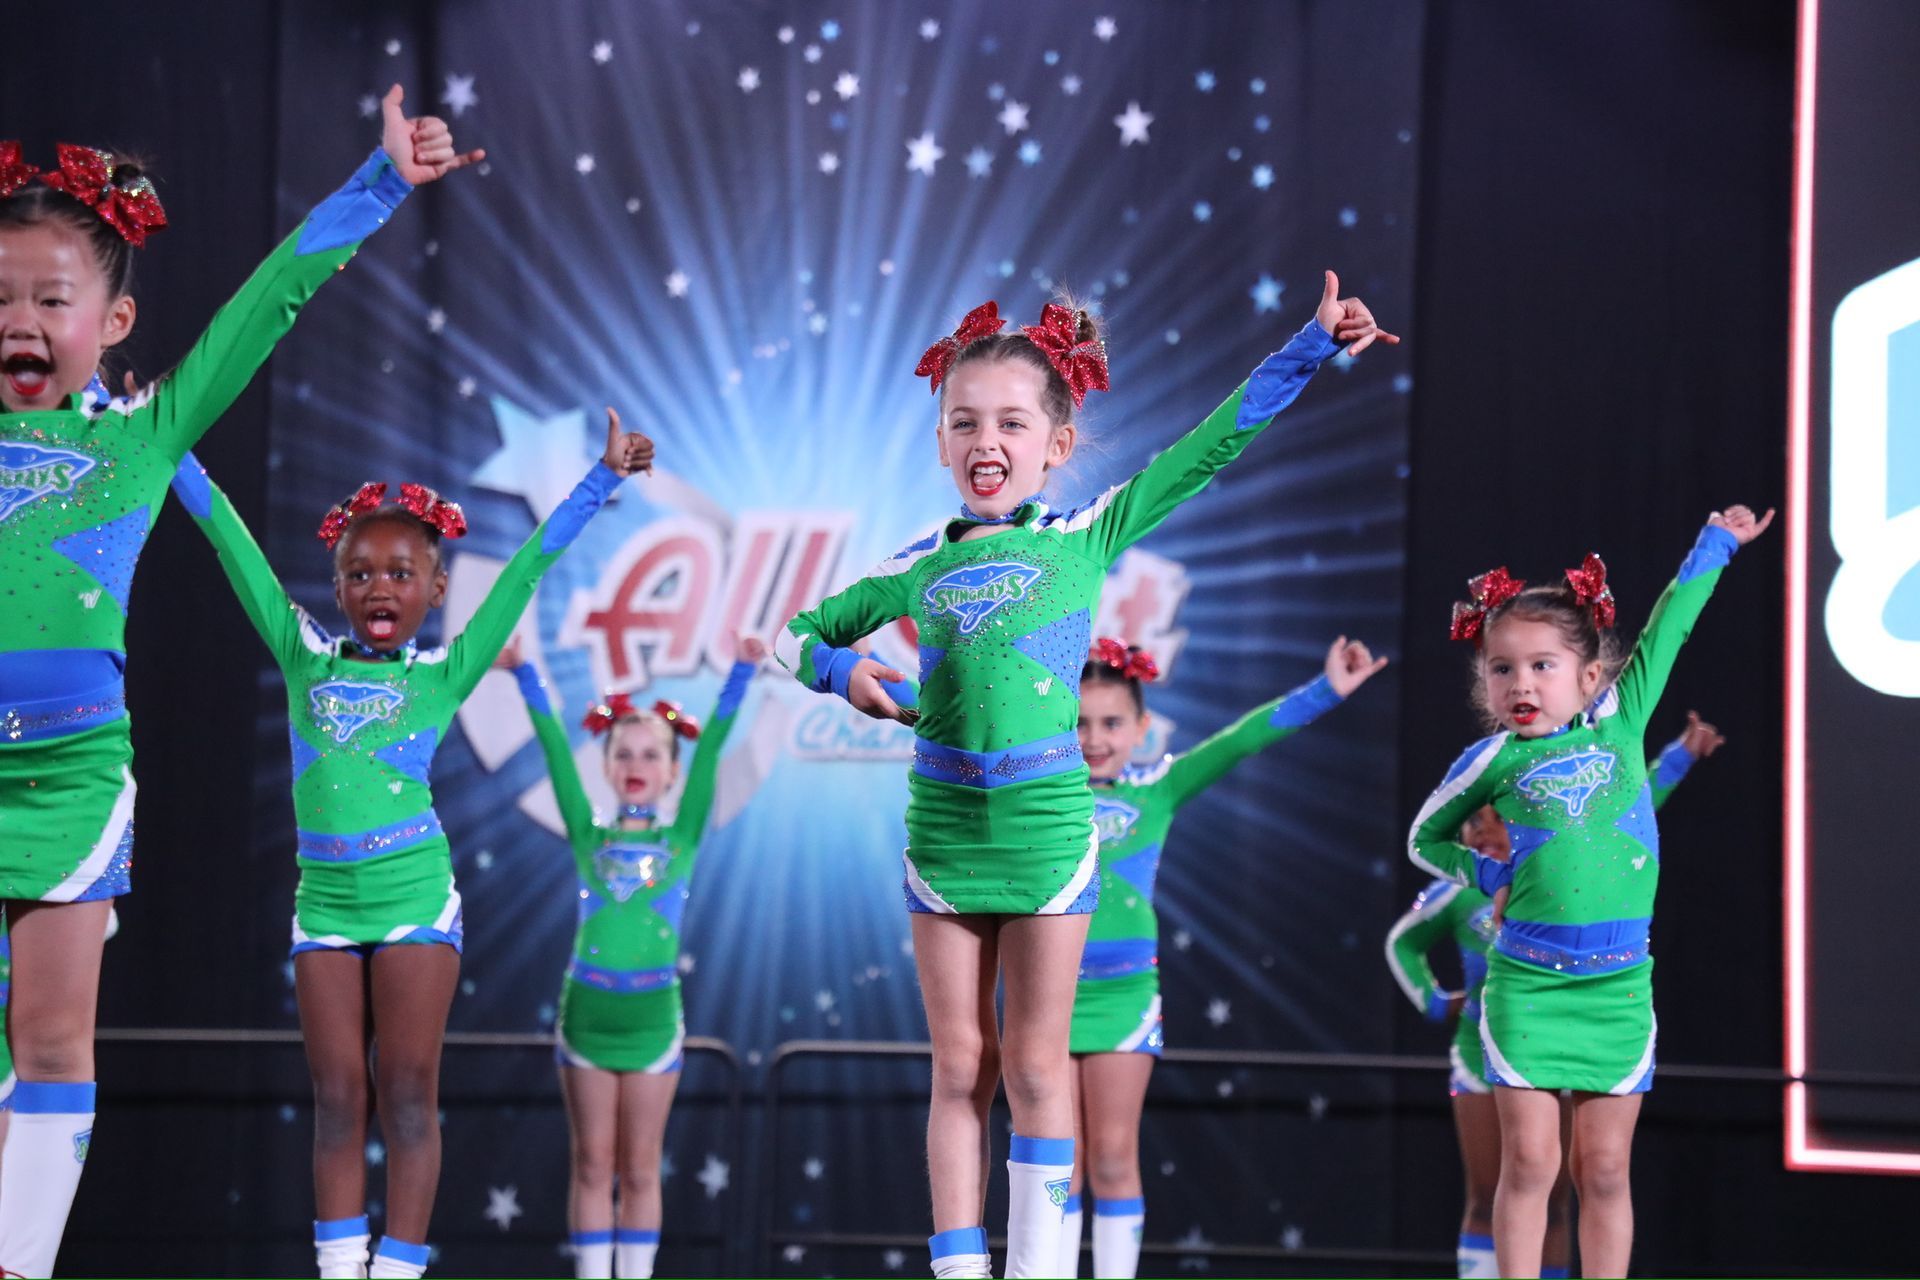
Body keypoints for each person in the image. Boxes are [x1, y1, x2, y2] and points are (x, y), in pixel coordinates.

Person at [776, 276, 1395, 1277]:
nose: (986, 440)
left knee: (1033, 1066)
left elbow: (1210, 447)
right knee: (960, 1066)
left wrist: (1308, 349)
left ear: (1056, 443)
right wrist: (843, 672)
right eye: (965, 421)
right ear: (940, 442)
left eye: (1011, 422)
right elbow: (791, 634)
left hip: (1049, 836)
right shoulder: (914, 565)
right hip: (945, 836)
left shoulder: (1088, 533)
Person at [0, 88, 478, 1277]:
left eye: (50, 299)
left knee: (50, 1040)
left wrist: (381, 181)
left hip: (70, 778)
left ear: (113, 319)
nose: (20, 320)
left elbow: (273, 301)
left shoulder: (143, 436)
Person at [167, 410, 651, 1279]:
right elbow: (234, 548)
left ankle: (397, 1269)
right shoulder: (305, 657)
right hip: (324, 904)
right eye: (360, 573)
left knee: (407, 1095)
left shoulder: (442, 672)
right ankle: (338, 1269)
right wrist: (170, 450)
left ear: (436, 588)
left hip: (413, 901)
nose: (380, 587)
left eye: (401, 572)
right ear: (337, 588)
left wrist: (602, 479)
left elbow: (528, 566)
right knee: (336, 1097)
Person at [1408, 508, 1772, 1277]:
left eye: (1542, 665)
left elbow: (1670, 626)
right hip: (1528, 986)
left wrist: (1716, 543)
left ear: (1591, 675)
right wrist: (1491, 874)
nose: (1521, 683)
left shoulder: (1622, 721)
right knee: (1530, 1165)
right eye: (1501, 668)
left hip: (1616, 989)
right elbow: (1423, 840)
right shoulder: (1491, 762)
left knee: (1603, 1172)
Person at [1063, 635, 1385, 1277]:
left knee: (1113, 1157)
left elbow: (1239, 740)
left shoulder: (1159, 790)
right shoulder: (1037, 794)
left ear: (1142, 729)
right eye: (1078, 723)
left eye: (1111, 723)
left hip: (1123, 997)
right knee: (1055, 1165)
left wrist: (1327, 690)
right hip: (1047, 996)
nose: (1094, 738)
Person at [1390, 713, 1727, 1278]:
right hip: (1487, 1047)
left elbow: (1634, 803)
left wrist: (1680, 757)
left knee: (1563, 1193)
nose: (1485, 830)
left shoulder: (1571, 849)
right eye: (1475, 822)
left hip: (1572, 1032)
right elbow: (1402, 942)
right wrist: (1434, 1002)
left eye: (1497, 819)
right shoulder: (1456, 892)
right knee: (1494, 1187)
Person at [494, 634, 763, 1280]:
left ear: (671, 772)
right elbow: (555, 752)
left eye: (652, 754)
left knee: (641, 1168)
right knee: (592, 1164)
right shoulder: (589, 837)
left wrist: (741, 673)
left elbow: (711, 752)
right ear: (608, 766)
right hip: (587, 1019)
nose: (637, 763)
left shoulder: (683, 837)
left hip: (652, 1024)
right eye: (624, 752)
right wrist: (525, 673)